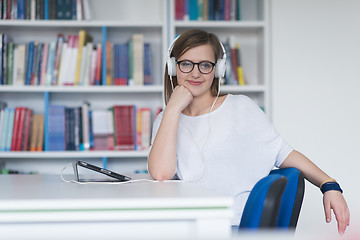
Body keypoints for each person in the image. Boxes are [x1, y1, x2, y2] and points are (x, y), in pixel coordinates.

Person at [147, 29, 350, 235]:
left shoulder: (240, 108)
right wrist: (172, 109)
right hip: (190, 227)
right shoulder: (166, 120)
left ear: (219, 70)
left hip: (231, 227)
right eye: (186, 64)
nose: (196, 73)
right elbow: (161, 174)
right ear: (173, 68)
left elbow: (283, 153)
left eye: (205, 65)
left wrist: (329, 184)